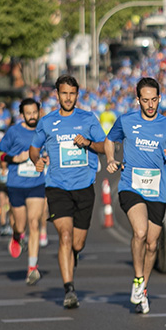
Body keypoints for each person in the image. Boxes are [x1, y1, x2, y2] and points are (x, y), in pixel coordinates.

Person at [30, 75, 110, 309]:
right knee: (64, 236)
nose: (68, 97)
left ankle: (72, 257)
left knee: (77, 243)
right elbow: (33, 150)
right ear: (57, 94)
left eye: (72, 93)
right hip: (57, 187)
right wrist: (37, 160)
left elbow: (104, 146)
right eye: (64, 93)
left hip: (84, 187)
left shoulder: (88, 118)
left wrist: (87, 143)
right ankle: (69, 289)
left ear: (77, 95)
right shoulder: (47, 122)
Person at [107, 77, 166, 314]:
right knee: (140, 232)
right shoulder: (127, 120)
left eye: (154, 100)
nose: (150, 105)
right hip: (131, 186)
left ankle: (144, 289)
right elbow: (110, 140)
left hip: (156, 191)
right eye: (145, 100)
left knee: (152, 245)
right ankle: (138, 280)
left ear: (159, 99)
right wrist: (111, 159)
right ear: (138, 100)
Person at [0, 97, 46, 285]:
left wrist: (47, 158)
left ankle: (32, 267)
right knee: (21, 224)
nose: (32, 116)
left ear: (39, 112)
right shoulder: (14, 131)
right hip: (16, 184)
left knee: (34, 223)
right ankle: (17, 235)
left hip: (37, 183)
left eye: (35, 112)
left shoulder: (44, 130)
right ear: (22, 115)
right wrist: (14, 159)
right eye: (28, 113)